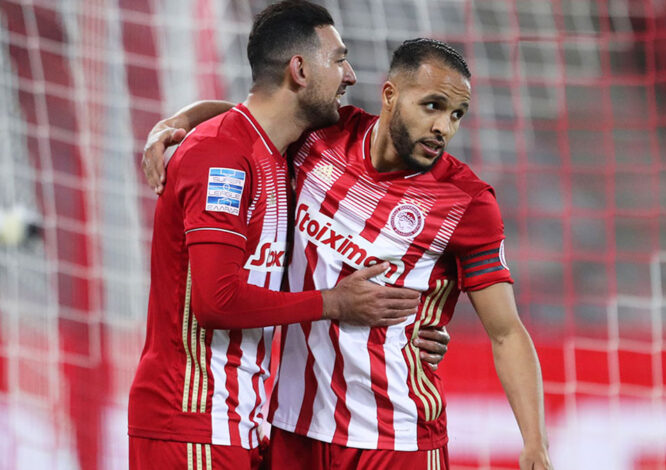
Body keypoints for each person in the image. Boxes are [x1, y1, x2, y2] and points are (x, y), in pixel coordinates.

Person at [144, 37, 553, 469]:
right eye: (432, 106)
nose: (444, 128)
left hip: (395, 438)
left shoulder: (467, 202)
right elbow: (253, 117)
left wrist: (535, 445)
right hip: (295, 429)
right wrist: (177, 121)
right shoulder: (323, 139)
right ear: (390, 95)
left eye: (456, 115)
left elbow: (506, 332)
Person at [128, 3, 450, 469]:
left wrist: (181, 117)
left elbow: (242, 116)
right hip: (193, 421)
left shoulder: (277, 152)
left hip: (239, 422)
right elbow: (216, 303)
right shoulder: (221, 157)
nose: (350, 75)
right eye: (338, 60)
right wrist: (334, 303)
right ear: (299, 70)